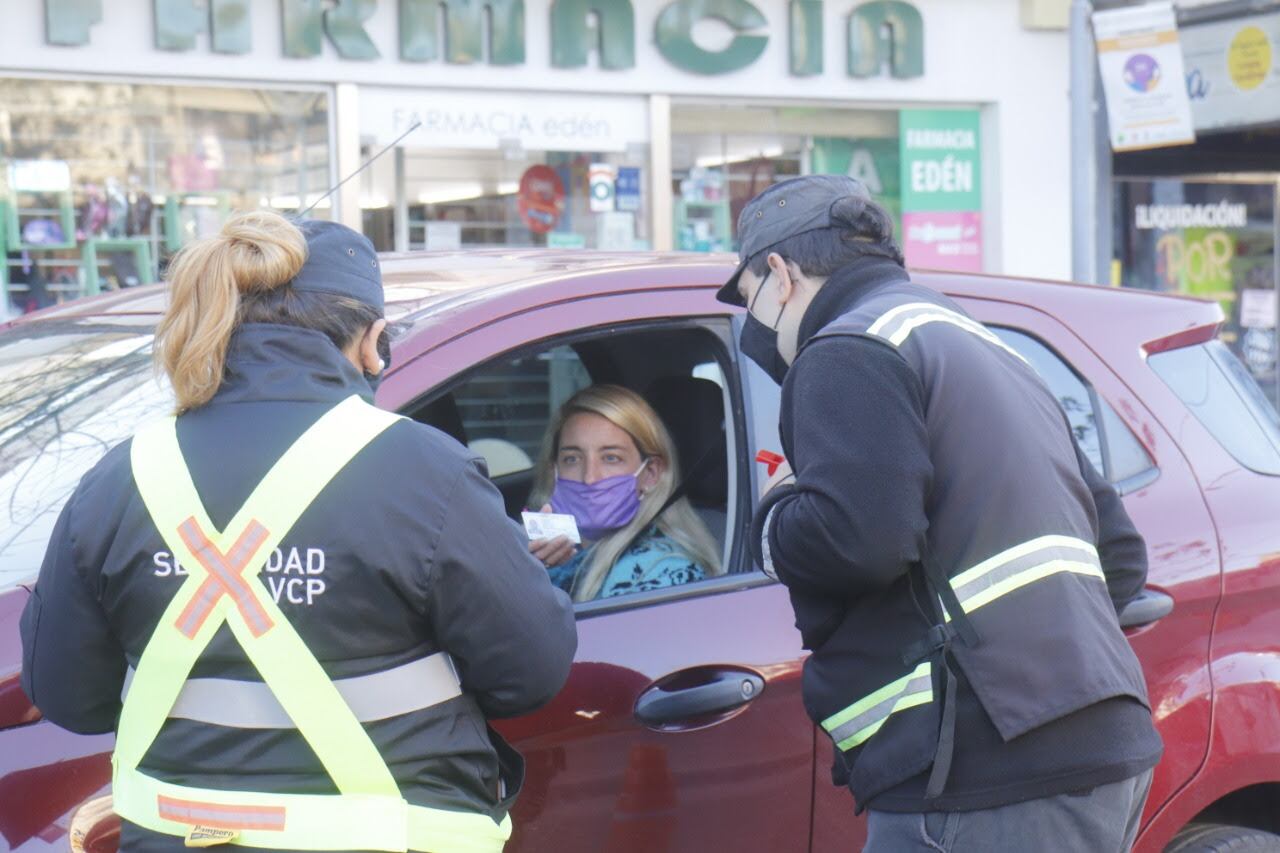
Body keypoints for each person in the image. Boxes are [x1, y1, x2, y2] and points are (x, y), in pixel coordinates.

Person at [20, 212, 577, 853]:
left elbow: (68, 698)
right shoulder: (426, 471)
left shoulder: (119, 477)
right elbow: (530, 674)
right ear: (372, 341)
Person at [717, 175, 1162, 852]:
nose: (756, 324)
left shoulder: (847, 348)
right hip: (1098, 748)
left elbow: (858, 540)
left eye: (750, 298)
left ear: (779, 273)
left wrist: (775, 519)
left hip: (984, 776)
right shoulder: (986, 348)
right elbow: (1121, 556)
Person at [526, 384, 722, 602]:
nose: (590, 477)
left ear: (650, 473)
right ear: (554, 469)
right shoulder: (552, 556)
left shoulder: (663, 571)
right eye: (572, 459)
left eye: (611, 458)